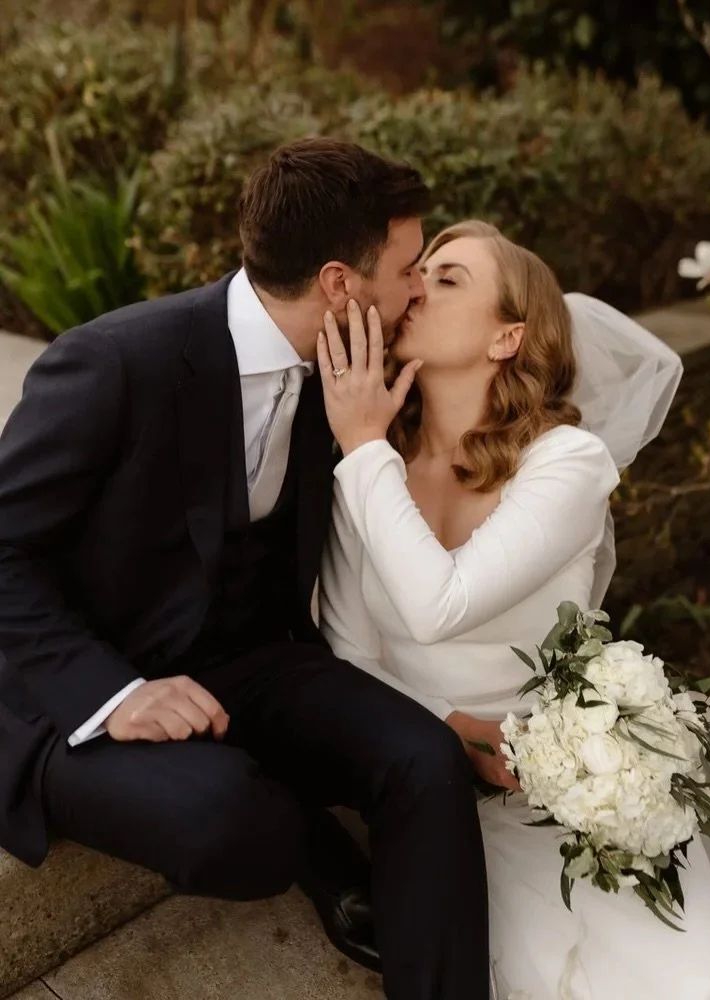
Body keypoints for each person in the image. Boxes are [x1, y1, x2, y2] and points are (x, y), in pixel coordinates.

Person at [0, 140, 492, 1000]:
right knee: (239, 825)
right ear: (340, 282)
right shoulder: (116, 362)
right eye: (412, 267)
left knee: (424, 759)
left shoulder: (352, 371)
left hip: (251, 658)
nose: (419, 286)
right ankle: (302, 835)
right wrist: (118, 697)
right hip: (85, 676)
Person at [318, 220, 710, 999]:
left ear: (507, 337)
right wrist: (446, 726)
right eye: (420, 273)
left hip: (552, 793)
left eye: (449, 279)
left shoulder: (566, 463)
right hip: (422, 778)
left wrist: (361, 448)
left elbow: (437, 607)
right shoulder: (374, 461)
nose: (418, 287)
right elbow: (345, 647)